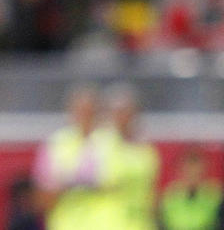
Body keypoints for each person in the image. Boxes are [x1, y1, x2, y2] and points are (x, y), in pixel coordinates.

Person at [32, 85, 114, 230]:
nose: (86, 117)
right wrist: (70, 184)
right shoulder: (56, 144)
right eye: (81, 111)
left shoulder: (113, 142)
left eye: (91, 112)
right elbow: (42, 198)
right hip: (66, 224)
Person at [98, 84, 160, 230]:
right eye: (117, 112)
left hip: (140, 223)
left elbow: (151, 193)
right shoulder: (99, 145)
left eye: (126, 112)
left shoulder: (146, 151)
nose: (122, 117)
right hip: (108, 222)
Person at [160, 148, 222, 230]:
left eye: (197, 172)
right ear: (180, 171)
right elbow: (168, 223)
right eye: (189, 171)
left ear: (204, 172)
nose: (193, 176)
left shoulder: (214, 196)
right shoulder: (170, 196)